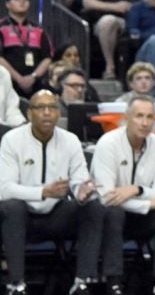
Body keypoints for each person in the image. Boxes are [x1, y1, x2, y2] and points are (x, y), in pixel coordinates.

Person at [0, 90, 104, 295]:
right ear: (29, 113)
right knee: (11, 206)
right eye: (40, 107)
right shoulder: (12, 140)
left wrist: (82, 192)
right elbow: (4, 189)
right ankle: (16, 284)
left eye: (52, 107)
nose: (47, 112)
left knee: (93, 207)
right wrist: (43, 192)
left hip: (56, 215)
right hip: (21, 218)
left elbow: (79, 180)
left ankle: (82, 281)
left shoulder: (71, 140)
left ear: (59, 113)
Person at [91, 96, 155, 295]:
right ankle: (114, 283)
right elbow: (106, 197)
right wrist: (146, 204)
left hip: (144, 217)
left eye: (149, 117)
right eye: (139, 116)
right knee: (114, 212)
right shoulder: (108, 143)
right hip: (112, 216)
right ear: (126, 118)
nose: (145, 123)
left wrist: (137, 189)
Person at [0, 0, 54, 97]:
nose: (22, 1)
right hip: (4, 84)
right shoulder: (1, 27)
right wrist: (19, 78)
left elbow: (47, 57)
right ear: (7, 4)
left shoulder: (38, 29)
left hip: (34, 84)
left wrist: (33, 77)